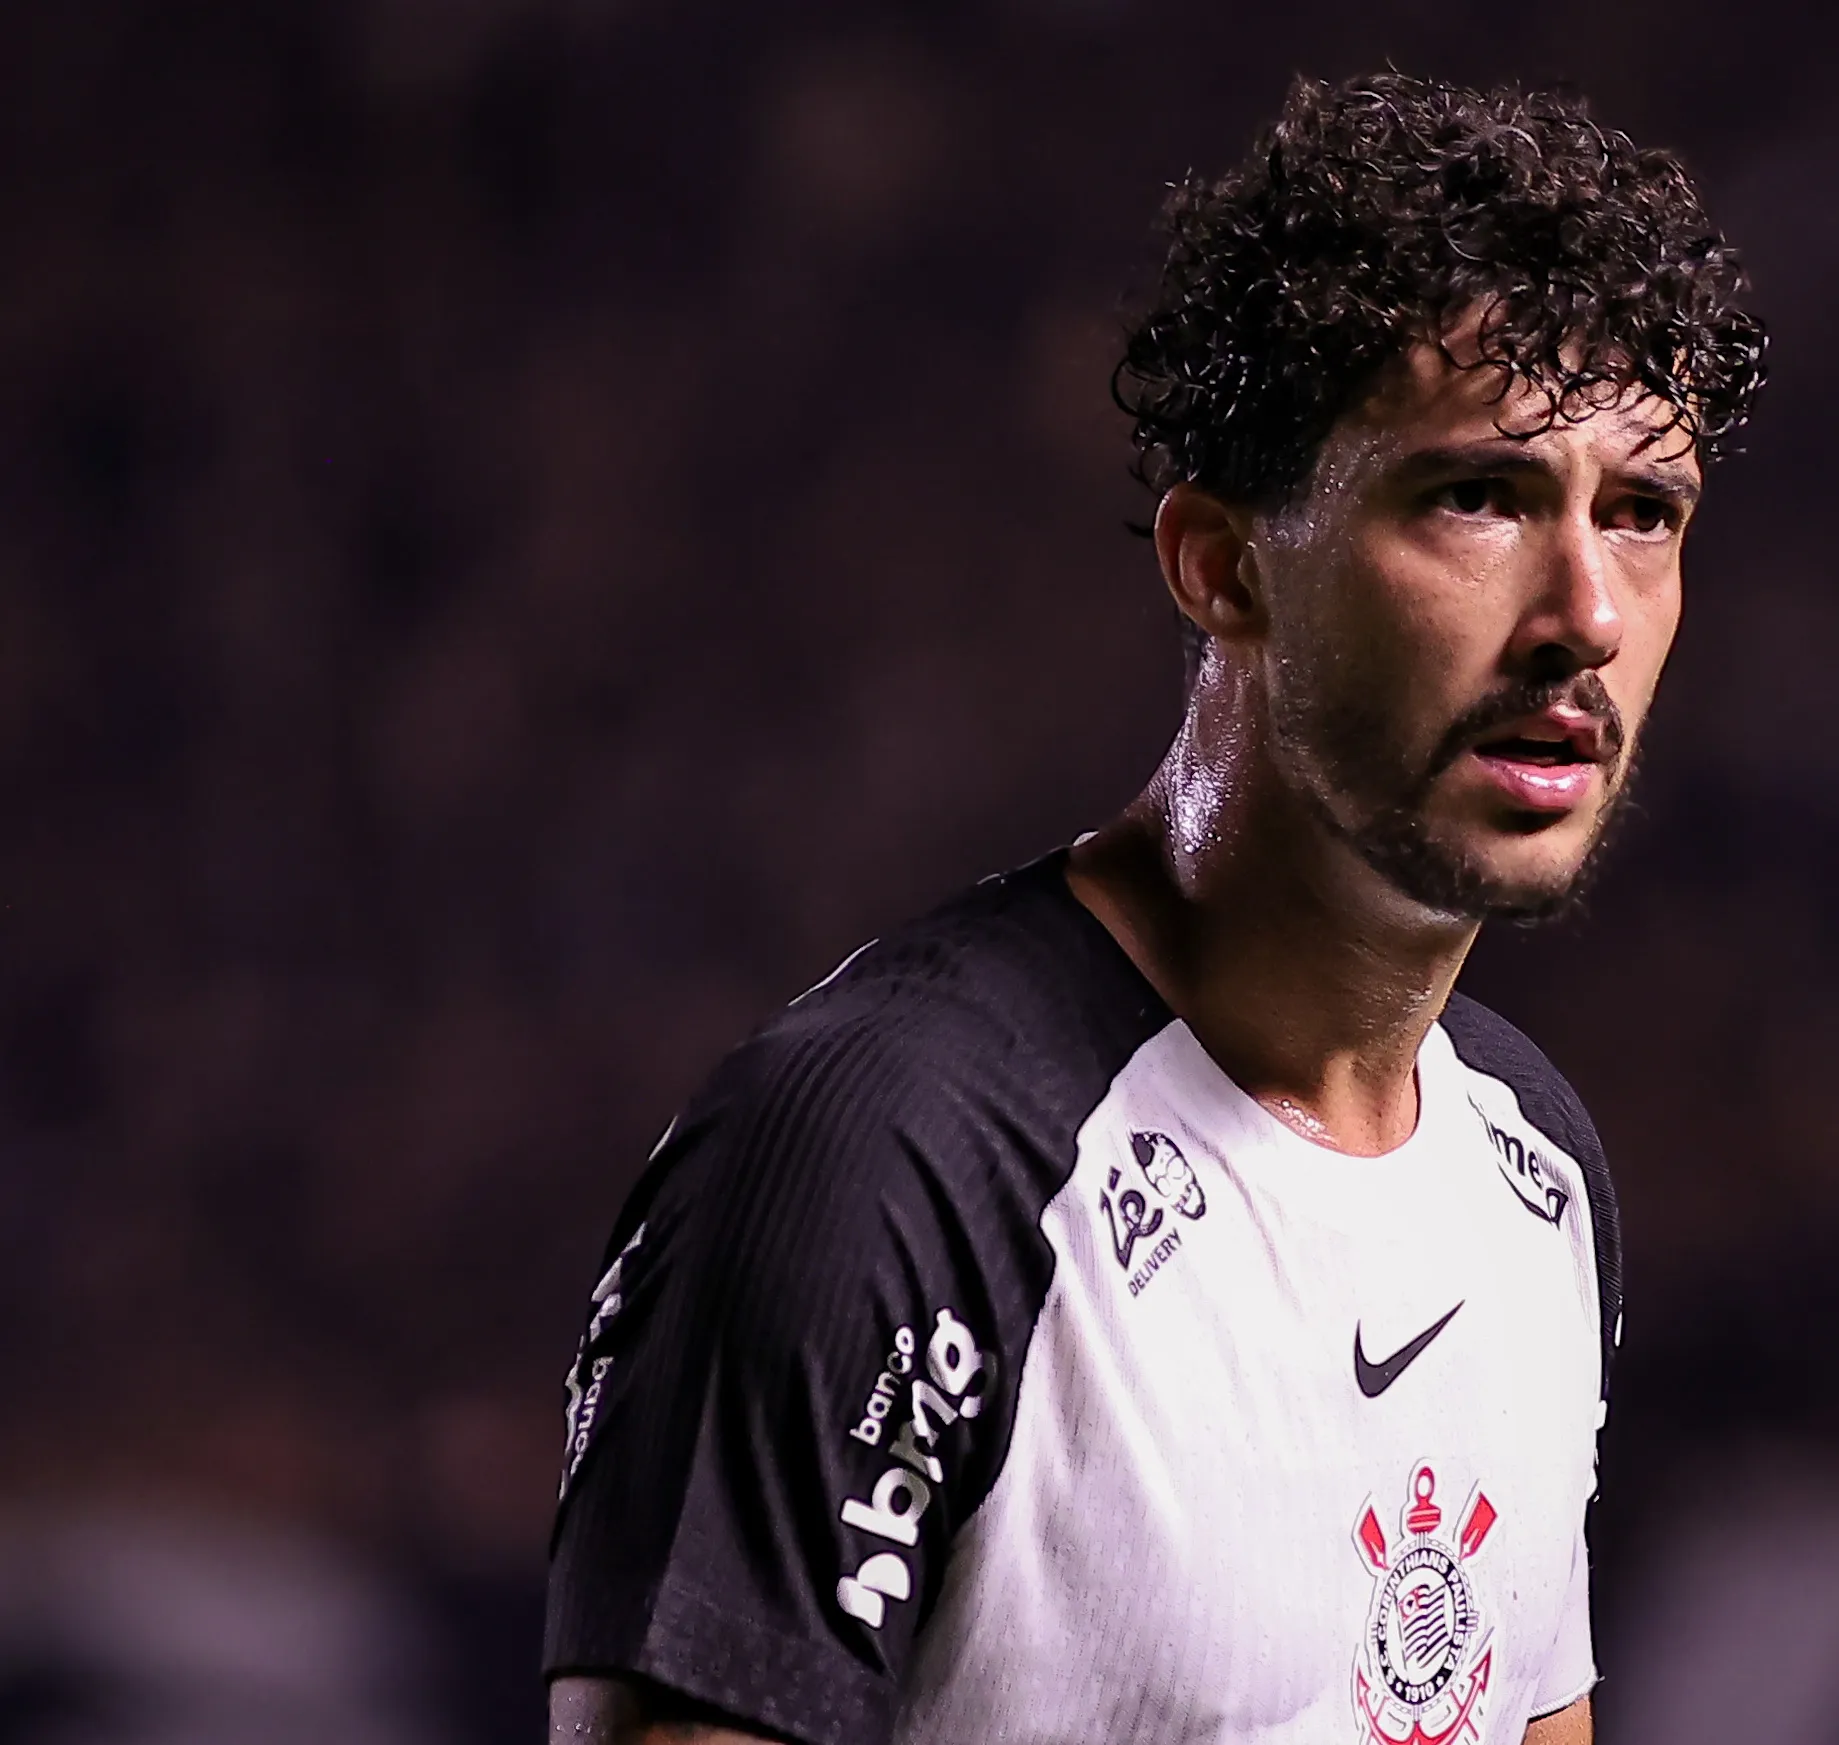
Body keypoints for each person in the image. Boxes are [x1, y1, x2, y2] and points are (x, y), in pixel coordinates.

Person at [543, 70, 1765, 1745]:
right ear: (1223, 565)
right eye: (1478, 497)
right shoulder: (884, 1157)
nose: (1586, 615)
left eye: (1643, 514)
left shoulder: (1530, 1176)